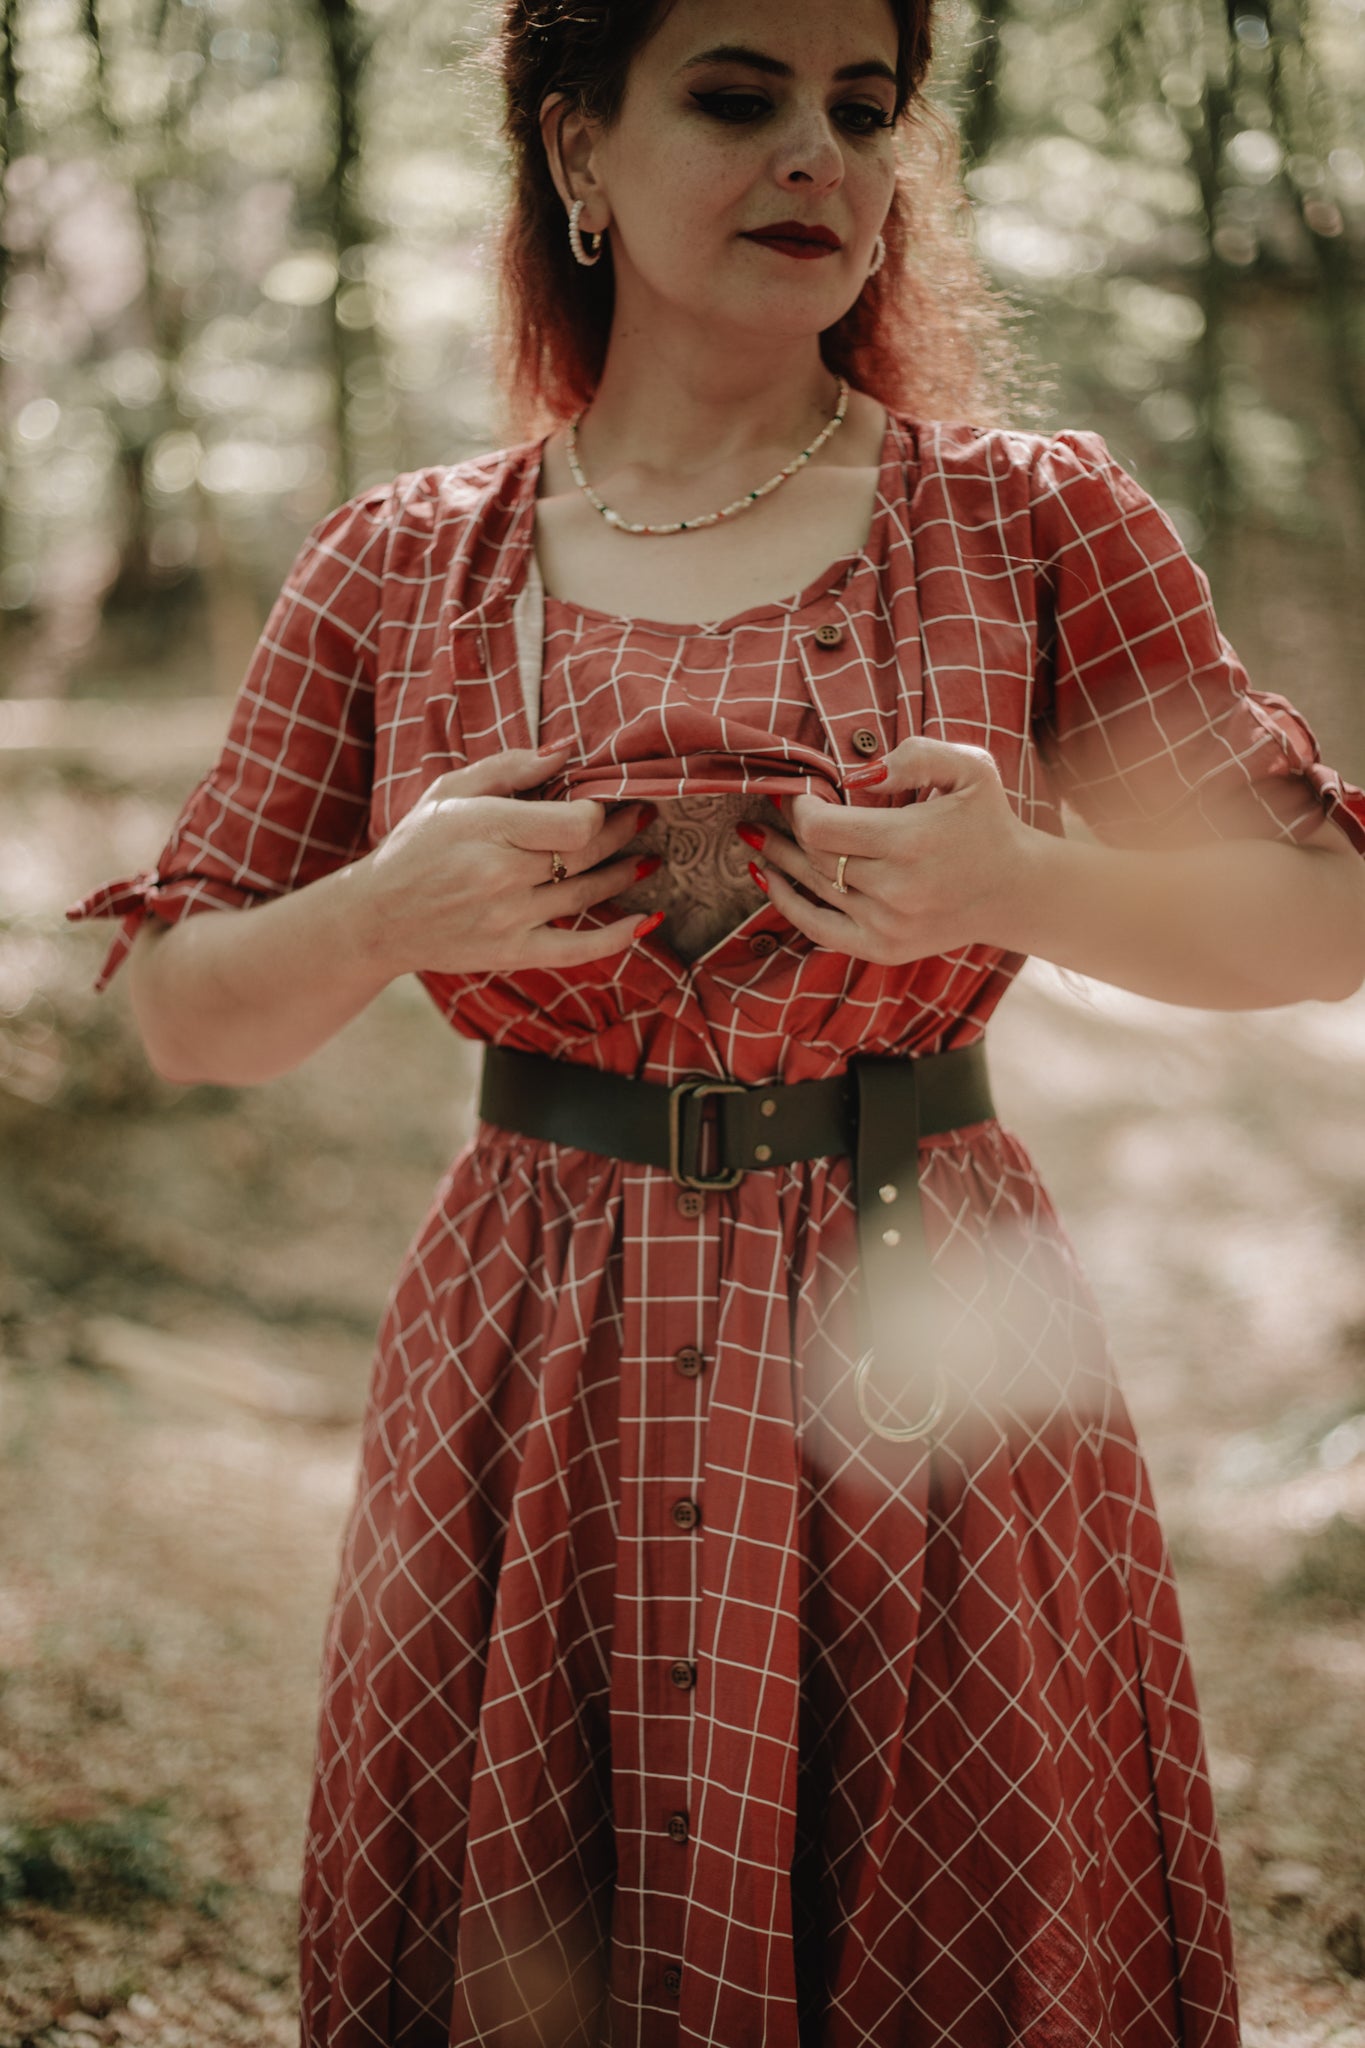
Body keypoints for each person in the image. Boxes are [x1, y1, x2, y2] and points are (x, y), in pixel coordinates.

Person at [69, 0, 1365, 2042]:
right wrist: (386, 910)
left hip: (929, 1329)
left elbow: (1318, 922)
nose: (816, 156)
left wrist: (1019, 883)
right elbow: (179, 1016)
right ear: (576, 149)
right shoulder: (399, 566)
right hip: (532, 1342)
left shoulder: (1032, 519)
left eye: (864, 107)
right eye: (737, 97)